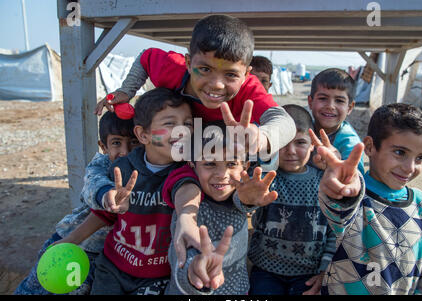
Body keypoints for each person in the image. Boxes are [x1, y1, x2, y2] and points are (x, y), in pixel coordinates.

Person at [94, 14, 297, 268]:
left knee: (267, 156)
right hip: (189, 146)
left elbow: (285, 122)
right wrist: (127, 90)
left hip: (225, 148)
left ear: (246, 73)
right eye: (205, 69)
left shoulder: (248, 90)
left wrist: (262, 136)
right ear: (189, 63)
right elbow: (145, 57)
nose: (216, 84)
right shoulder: (171, 68)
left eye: (231, 75)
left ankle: (243, 204)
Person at [58, 88, 194, 294]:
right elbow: (104, 215)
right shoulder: (123, 168)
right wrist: (69, 241)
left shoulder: (187, 172)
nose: (182, 131)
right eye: (170, 124)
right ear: (142, 135)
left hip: (158, 277)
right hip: (112, 268)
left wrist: (187, 216)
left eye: (188, 124)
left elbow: (187, 193)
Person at [317, 103, 422, 295]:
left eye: (420, 158)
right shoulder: (355, 199)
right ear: (369, 147)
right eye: (400, 153)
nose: (410, 167)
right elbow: (338, 210)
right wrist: (340, 188)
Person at [14, 111, 140, 295]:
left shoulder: (145, 170)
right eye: (116, 143)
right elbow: (93, 185)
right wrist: (107, 195)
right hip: (69, 243)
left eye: (133, 142)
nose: (125, 151)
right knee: (34, 289)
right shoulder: (101, 165)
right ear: (103, 146)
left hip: (101, 257)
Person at [233, 105, 336, 295]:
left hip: (309, 274)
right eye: (283, 143)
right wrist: (247, 201)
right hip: (265, 270)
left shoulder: (325, 181)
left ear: (313, 144)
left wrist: (325, 270)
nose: (290, 151)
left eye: (300, 143)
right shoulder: (262, 178)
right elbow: (243, 209)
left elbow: (334, 230)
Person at [165, 121, 262, 295]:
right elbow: (180, 261)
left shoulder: (239, 198)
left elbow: (247, 202)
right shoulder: (191, 209)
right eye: (210, 164)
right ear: (193, 166)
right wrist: (194, 271)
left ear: (245, 168)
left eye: (232, 164)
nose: (221, 174)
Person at [307, 68, 365, 173]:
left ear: (350, 107)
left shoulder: (350, 142)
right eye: (323, 98)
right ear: (310, 102)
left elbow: (355, 177)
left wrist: (336, 164)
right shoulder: (304, 128)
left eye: (339, 101)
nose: (330, 106)